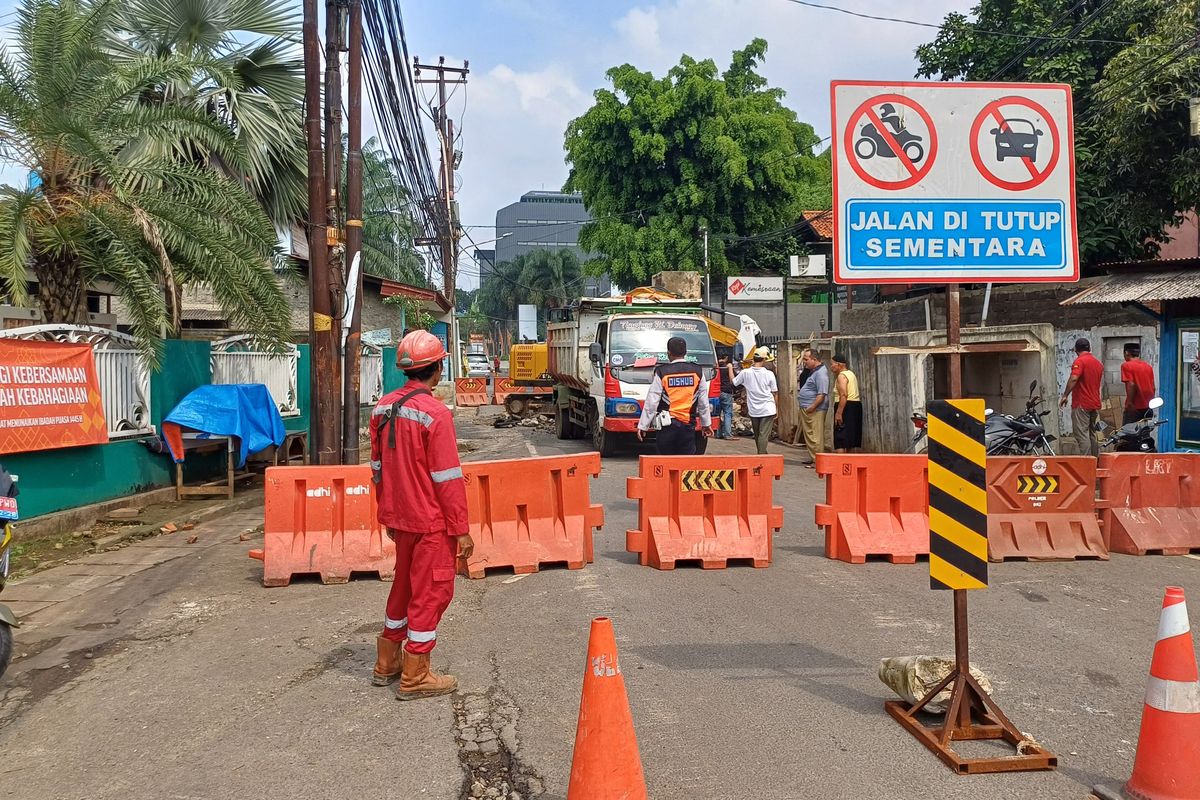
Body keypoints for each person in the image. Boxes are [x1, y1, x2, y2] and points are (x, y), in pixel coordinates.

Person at [369, 330, 475, 701]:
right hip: (431, 522)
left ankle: (387, 663)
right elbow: (447, 478)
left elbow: (377, 468)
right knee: (431, 592)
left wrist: (388, 515)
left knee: (403, 588)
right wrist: (461, 529)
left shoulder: (381, 409)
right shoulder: (435, 414)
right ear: (439, 366)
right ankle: (415, 675)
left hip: (401, 518)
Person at [637, 336, 713, 455]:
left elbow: (652, 401)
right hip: (688, 426)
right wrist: (706, 424)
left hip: (667, 426)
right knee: (685, 465)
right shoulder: (698, 371)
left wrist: (643, 426)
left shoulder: (662, 372)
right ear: (686, 352)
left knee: (665, 462)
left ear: (668, 353)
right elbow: (703, 402)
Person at [1060, 337, 1103, 457]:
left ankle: (1087, 464)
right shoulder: (1098, 363)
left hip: (1082, 404)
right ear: (1089, 348)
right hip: (1094, 403)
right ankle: (1095, 462)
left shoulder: (1080, 361)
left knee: (1082, 434)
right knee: (1092, 434)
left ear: (1076, 350)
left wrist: (1065, 395)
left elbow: (1074, 378)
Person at [734, 347, 779, 455]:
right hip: (768, 408)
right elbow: (775, 393)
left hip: (754, 409)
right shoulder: (769, 374)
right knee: (763, 435)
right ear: (764, 360)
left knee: (759, 435)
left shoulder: (746, 373)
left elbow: (734, 382)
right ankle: (762, 455)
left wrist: (730, 369)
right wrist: (777, 408)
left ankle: (762, 454)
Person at [797, 350, 829, 467]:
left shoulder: (821, 374)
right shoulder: (814, 372)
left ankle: (818, 460)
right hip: (808, 407)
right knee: (810, 435)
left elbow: (822, 393)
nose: (804, 362)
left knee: (815, 435)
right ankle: (813, 457)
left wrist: (813, 406)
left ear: (814, 359)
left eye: (806, 359)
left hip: (815, 409)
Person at [830, 353, 863, 453]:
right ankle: (849, 461)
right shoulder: (851, 374)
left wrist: (839, 413)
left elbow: (844, 394)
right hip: (855, 406)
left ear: (839, 364)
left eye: (832, 364)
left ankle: (841, 462)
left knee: (840, 437)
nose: (831, 367)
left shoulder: (841, 376)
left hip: (846, 406)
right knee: (851, 437)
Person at [1120, 342, 1156, 425]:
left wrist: (1129, 404)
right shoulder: (1148, 366)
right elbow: (1153, 388)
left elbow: (1131, 385)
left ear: (1126, 353)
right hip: (1147, 408)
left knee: (1127, 434)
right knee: (1144, 434)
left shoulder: (1126, 366)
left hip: (1134, 408)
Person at [717, 354, 736, 439]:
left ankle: (718, 434)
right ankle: (728, 434)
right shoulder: (728, 367)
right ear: (727, 358)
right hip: (726, 392)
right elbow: (733, 380)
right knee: (727, 413)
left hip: (717, 391)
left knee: (717, 413)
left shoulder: (716, 366)